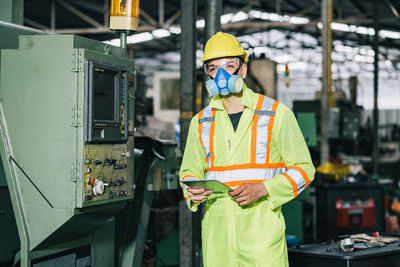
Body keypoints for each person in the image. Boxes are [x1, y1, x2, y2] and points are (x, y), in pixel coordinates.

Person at [179, 31, 315, 267]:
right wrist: (191, 191)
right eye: (213, 68)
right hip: (217, 238)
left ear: (242, 69)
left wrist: (265, 188)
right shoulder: (201, 122)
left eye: (228, 66)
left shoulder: (276, 114)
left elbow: (304, 170)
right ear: (207, 74)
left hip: (261, 238)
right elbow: (189, 172)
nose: (220, 74)